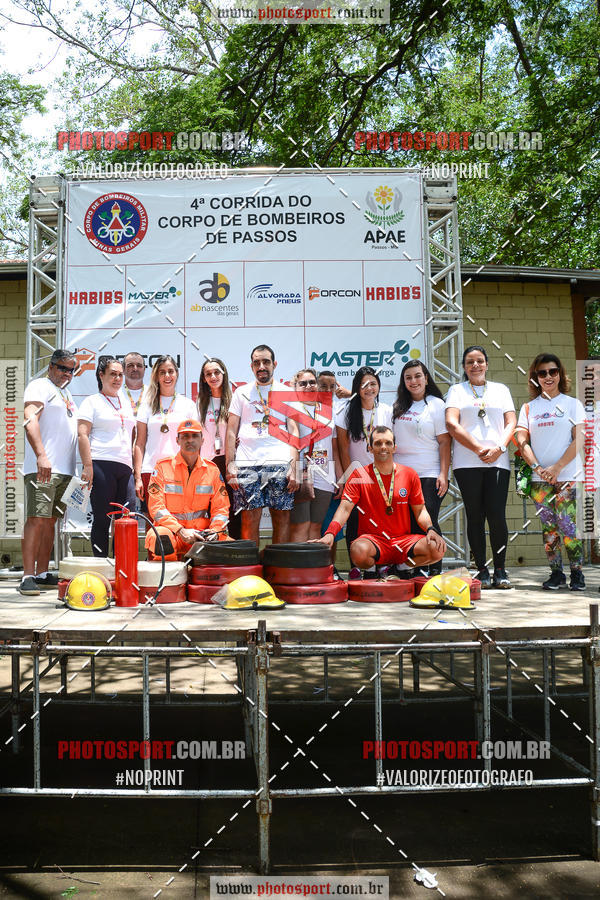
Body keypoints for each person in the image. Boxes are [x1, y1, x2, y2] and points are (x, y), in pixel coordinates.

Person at [317, 426, 446, 577]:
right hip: (373, 541)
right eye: (378, 443)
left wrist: (431, 529)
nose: (383, 447)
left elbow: (420, 511)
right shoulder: (359, 475)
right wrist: (330, 533)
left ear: (394, 447)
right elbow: (345, 508)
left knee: (437, 548)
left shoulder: (409, 474)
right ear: (370, 448)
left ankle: (402, 567)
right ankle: (372, 571)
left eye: (388, 443)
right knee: (358, 551)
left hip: (402, 541)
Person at [445, 345, 517, 589]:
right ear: (464, 367)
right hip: (467, 463)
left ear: (487, 364)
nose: (475, 365)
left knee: (496, 515)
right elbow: (451, 424)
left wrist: (499, 448)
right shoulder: (457, 390)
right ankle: (482, 571)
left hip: (498, 461)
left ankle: (500, 569)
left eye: (479, 361)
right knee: (475, 516)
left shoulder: (501, 390)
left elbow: (511, 422)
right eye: (469, 362)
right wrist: (477, 448)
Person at [515, 353, 586, 591]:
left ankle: (577, 573)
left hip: (567, 477)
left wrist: (557, 468)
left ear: (560, 374)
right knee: (549, 529)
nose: (548, 376)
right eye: (542, 373)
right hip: (539, 479)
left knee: (567, 526)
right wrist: (538, 468)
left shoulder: (572, 404)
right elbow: (521, 441)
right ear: (535, 377)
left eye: (552, 371)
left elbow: (580, 439)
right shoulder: (528, 408)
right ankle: (556, 574)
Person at [226, 344, 299, 545]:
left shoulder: (287, 392)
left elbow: (294, 431)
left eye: (266, 361)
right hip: (247, 463)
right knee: (249, 520)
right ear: (251, 366)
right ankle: (252, 571)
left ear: (274, 364)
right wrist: (230, 464)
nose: (261, 366)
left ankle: (278, 570)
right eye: (257, 362)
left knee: (282, 518)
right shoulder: (241, 392)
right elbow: (231, 431)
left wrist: (294, 468)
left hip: (280, 463)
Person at [19, 349, 78, 595]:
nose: (67, 373)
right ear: (51, 366)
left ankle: (42, 573)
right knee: (36, 519)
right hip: (45, 467)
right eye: (62, 368)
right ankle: (27, 576)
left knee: (50, 522)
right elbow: (29, 419)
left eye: (71, 370)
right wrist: (42, 455)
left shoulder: (65, 392)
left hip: (64, 471)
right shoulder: (39, 385)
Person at [392, 360, 450, 575]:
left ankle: (434, 568)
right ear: (403, 382)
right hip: (402, 475)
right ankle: (413, 567)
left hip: (430, 473)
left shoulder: (436, 404)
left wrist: (443, 474)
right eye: (408, 377)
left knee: (427, 520)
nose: (413, 381)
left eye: (418, 376)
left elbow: (445, 442)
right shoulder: (398, 406)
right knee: (407, 523)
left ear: (426, 378)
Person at [145, 419, 230, 561]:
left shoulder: (212, 470)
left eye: (194, 436)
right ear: (177, 440)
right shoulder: (162, 467)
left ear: (202, 440)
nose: (190, 440)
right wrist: (180, 530)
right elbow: (156, 508)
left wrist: (215, 531)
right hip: (172, 532)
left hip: (202, 534)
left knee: (233, 548)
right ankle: (170, 581)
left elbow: (221, 508)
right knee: (160, 538)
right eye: (185, 436)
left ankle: (206, 581)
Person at [78, 356, 136, 557]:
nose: (118, 378)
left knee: (125, 519)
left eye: (120, 374)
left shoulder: (126, 402)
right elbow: (82, 433)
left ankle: (122, 567)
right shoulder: (92, 401)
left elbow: (132, 434)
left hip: (125, 467)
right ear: (101, 375)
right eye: (113, 374)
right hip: (101, 463)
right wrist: (87, 466)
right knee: (102, 518)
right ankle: (101, 565)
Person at [336, 366, 392, 556]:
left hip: (382, 476)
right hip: (357, 477)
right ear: (357, 388)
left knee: (381, 521)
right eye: (364, 385)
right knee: (355, 521)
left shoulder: (386, 411)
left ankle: (381, 563)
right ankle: (355, 565)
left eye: (373, 384)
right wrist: (351, 477)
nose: (369, 388)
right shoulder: (346, 412)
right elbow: (343, 448)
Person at [133, 354, 196, 505]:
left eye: (170, 371)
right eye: (162, 372)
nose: (167, 376)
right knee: (153, 521)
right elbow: (139, 443)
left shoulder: (188, 405)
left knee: (177, 520)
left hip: (180, 469)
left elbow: (194, 443)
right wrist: (138, 477)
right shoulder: (147, 404)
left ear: (177, 373)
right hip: (151, 469)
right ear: (156, 376)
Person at [289, 368, 342, 542]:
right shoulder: (293, 409)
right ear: (296, 387)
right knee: (301, 525)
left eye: (312, 382)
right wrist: (295, 472)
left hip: (326, 475)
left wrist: (339, 477)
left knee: (316, 526)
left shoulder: (328, 410)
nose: (309, 386)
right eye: (303, 383)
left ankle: (312, 568)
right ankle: (299, 568)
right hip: (303, 473)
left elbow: (334, 448)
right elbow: (293, 443)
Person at [196, 357, 240, 539]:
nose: (213, 377)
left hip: (229, 461)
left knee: (235, 513)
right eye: (208, 374)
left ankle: (237, 556)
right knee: (210, 511)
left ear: (224, 374)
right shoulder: (199, 403)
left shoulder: (234, 400)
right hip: (207, 464)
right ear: (204, 379)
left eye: (216, 372)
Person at [318, 371, 347, 562]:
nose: (328, 390)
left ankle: (330, 567)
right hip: (310, 477)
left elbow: (336, 449)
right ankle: (313, 567)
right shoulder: (307, 408)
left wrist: (340, 478)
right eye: (323, 386)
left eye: (332, 386)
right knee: (312, 526)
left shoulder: (340, 409)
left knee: (331, 527)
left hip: (331, 478)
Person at [121, 351, 148, 512]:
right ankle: (119, 539)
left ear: (145, 369)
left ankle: (152, 539)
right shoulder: (115, 392)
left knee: (149, 510)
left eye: (139, 365)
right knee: (121, 511)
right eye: (130, 365)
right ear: (123, 369)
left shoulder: (154, 393)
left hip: (147, 461)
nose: (135, 368)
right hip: (121, 460)